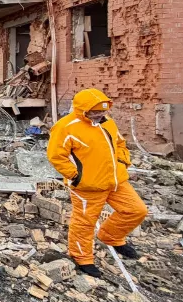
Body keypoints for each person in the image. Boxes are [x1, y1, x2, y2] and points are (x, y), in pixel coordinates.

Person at [46, 88, 147, 278]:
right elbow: (56, 156)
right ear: (83, 109)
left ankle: (111, 237)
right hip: (88, 186)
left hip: (116, 181)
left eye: (102, 111)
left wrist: (123, 160)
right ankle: (82, 257)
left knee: (136, 210)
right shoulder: (65, 127)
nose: (100, 115)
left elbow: (119, 143)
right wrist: (76, 176)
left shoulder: (108, 123)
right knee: (85, 223)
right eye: (95, 112)